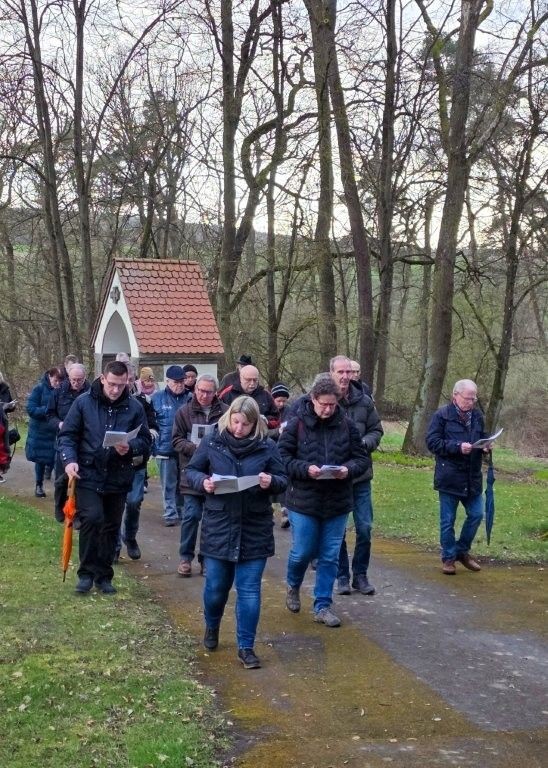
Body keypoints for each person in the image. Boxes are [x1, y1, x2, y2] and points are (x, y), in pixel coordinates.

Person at [185, 396, 287, 669]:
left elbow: (283, 480)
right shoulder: (212, 441)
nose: (239, 428)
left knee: (249, 591)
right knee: (216, 588)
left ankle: (246, 647)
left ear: (255, 424)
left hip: (255, 526)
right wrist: (204, 482)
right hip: (219, 525)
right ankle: (212, 625)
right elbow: (192, 470)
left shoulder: (267, 446)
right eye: (236, 422)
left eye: (245, 424)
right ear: (228, 417)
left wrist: (270, 481)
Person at [278, 374, 369, 628]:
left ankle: (322, 605)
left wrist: (347, 470)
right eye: (323, 404)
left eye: (332, 405)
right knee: (303, 551)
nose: (328, 410)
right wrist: (305, 469)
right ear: (313, 399)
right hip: (303, 500)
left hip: (337, 501)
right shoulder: (296, 424)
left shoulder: (347, 425)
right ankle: (293, 585)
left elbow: (361, 459)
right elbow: (282, 457)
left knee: (329, 556)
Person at [58, 360, 151, 594]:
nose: (116, 389)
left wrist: (130, 447)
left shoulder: (134, 407)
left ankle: (103, 575)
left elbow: (144, 440)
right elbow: (67, 435)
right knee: (92, 518)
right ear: (102, 379)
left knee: (111, 526)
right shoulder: (83, 403)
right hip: (88, 473)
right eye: (112, 384)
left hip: (118, 475)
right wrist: (69, 461)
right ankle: (86, 574)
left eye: (121, 385)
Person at [329, 355, 383, 596]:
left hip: (361, 476)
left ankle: (360, 575)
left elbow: (376, 430)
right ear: (331, 373)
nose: (345, 376)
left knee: (364, 527)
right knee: (338, 530)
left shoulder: (365, 401)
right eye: (340, 372)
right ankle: (341, 575)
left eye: (348, 372)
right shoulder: (325, 400)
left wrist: (363, 444)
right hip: (335, 477)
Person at [426, 379, 491, 575]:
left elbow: (482, 436)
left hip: (472, 477)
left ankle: (461, 551)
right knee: (448, 521)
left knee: (477, 514)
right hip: (449, 477)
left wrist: (486, 447)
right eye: (468, 398)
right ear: (455, 395)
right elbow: (432, 442)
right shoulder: (442, 416)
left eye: (474, 399)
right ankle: (448, 558)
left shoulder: (477, 416)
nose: (471, 402)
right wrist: (457, 447)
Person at [172, 374, 228, 577]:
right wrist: (195, 448)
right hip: (192, 473)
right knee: (191, 515)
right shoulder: (184, 412)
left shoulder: (225, 412)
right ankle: (185, 557)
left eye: (209, 392)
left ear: (216, 392)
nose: (204, 395)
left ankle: (206, 559)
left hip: (216, 474)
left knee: (212, 520)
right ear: (195, 390)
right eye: (201, 391)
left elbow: (233, 437)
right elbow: (176, 440)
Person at [116, 365, 159, 561]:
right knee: (114, 504)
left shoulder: (143, 402)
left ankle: (130, 537)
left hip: (136, 461)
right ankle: (114, 544)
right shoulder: (107, 403)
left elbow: (153, 426)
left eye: (130, 379)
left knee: (134, 502)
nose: (126, 384)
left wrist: (149, 435)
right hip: (112, 463)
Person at [47, 363, 90, 521]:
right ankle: (59, 506)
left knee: (80, 479)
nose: (76, 383)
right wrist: (59, 424)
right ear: (68, 377)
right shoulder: (58, 392)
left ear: (85, 378)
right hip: (64, 441)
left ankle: (76, 512)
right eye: (73, 380)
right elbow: (49, 415)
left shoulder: (91, 393)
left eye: (80, 380)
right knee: (61, 479)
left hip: (84, 443)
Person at [151, 365, 192, 525]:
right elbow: (151, 423)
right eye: (176, 382)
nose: (180, 385)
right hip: (164, 448)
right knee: (168, 484)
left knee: (183, 483)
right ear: (167, 381)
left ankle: (180, 511)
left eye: (182, 381)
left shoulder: (190, 398)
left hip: (185, 448)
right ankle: (170, 513)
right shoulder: (156, 398)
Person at [25, 367, 62, 497]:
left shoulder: (62, 390)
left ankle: (59, 489)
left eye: (60, 381)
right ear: (49, 377)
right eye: (56, 380)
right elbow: (31, 409)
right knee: (40, 459)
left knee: (57, 459)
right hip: (40, 431)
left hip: (55, 431)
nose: (58, 383)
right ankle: (39, 485)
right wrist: (48, 410)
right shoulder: (39, 389)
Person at [270, 382, 292, 528]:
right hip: (269, 450)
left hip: (284, 451)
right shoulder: (267, 411)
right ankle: (269, 510)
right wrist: (277, 432)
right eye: (278, 401)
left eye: (284, 401)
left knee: (284, 480)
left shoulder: (289, 411)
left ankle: (285, 511)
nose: (281, 404)